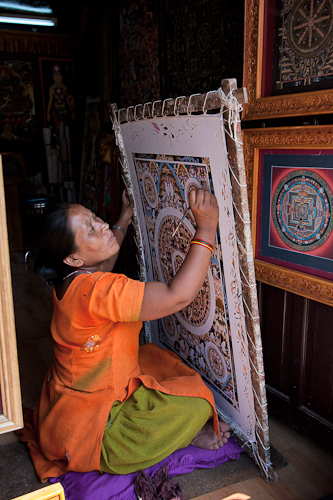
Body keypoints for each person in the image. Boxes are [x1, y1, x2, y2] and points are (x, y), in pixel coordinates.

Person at [18, 187, 230, 482]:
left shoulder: (68, 281)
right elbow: (176, 296)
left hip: (62, 417)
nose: (102, 225)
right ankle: (179, 438)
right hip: (94, 433)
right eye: (91, 230)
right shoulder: (100, 290)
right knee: (197, 403)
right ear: (74, 259)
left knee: (154, 356)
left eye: (95, 218)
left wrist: (124, 218)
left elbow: (101, 263)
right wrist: (206, 227)